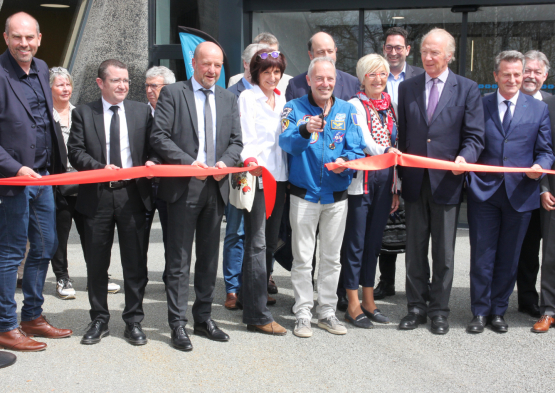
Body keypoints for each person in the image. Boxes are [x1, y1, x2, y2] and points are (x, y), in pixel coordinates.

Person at [150, 42, 242, 352]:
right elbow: (159, 137)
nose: (212, 70)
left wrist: (224, 165)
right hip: (183, 188)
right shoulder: (173, 93)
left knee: (208, 259)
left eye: (217, 65)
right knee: (178, 260)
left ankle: (203, 317)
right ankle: (177, 324)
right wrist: (191, 165)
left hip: (215, 188)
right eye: (206, 64)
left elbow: (236, 142)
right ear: (193, 62)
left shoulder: (229, 99)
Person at [397, 28, 485, 334]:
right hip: (415, 180)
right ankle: (416, 308)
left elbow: (475, 136)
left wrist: (466, 157)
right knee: (415, 249)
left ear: (449, 55)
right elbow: (404, 135)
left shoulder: (467, 89)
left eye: (435, 52)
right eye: (424, 52)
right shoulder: (407, 87)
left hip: (448, 180)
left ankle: (439, 311)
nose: (428, 58)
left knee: (444, 253)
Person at [68, 59, 155, 346]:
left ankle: (133, 321)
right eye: (116, 80)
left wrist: (154, 160)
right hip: (97, 195)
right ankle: (99, 319)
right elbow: (75, 151)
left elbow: (154, 145)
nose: (123, 86)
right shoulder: (84, 112)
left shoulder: (142, 112)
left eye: (127, 81)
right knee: (96, 262)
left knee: (135, 262)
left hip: (132, 195)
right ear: (100, 83)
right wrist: (98, 167)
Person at [466, 51, 554, 334]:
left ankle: (498, 312)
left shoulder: (538, 109)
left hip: (521, 194)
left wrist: (540, 166)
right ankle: (480, 312)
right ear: (495, 77)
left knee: (509, 256)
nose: (513, 79)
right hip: (484, 193)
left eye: (518, 74)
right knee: (482, 255)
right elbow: (473, 142)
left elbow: (545, 151)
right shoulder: (480, 104)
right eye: (507, 74)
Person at [0, 12, 72, 352]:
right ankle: (6, 324)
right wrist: (15, 169)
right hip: (13, 181)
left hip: (45, 177)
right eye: (17, 37)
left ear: (39, 39)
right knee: (11, 252)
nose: (24, 44)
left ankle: (32, 316)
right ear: (6, 38)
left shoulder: (43, 69)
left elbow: (45, 120)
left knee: (45, 246)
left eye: (30, 38)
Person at [279, 57, 366, 338]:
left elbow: (357, 150)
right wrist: (305, 129)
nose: (325, 83)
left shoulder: (347, 110)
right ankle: (303, 311)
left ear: (335, 81)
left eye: (330, 79)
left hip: (336, 196)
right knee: (302, 258)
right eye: (319, 78)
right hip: (304, 195)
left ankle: (326, 311)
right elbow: (286, 142)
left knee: (332, 258)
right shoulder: (293, 108)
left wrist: (346, 160)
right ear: (309, 80)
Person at [342, 54, 401, 328]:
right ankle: (351, 301)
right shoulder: (355, 105)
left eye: (383, 74)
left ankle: (368, 299)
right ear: (362, 78)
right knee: (356, 243)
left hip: (385, 179)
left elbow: (396, 140)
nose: (378, 80)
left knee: (374, 243)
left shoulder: (391, 106)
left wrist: (396, 186)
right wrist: (387, 152)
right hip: (362, 181)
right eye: (372, 75)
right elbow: (365, 141)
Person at [236, 48, 288, 335]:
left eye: (277, 71)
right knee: (255, 242)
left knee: (268, 243)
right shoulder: (247, 97)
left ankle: (247, 296)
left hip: (280, 178)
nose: (272, 76)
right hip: (257, 176)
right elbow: (244, 136)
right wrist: (250, 161)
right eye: (267, 71)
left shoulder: (282, 99)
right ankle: (257, 314)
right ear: (256, 73)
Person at [374, 27, 425, 301]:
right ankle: (387, 282)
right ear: (384, 49)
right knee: (388, 222)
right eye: (389, 47)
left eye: (399, 47)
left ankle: (416, 285)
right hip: (385, 159)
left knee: (415, 226)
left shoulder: (420, 77)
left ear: (407, 50)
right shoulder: (374, 74)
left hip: (413, 160)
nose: (393, 51)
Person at [223, 42, 271, 310]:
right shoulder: (233, 93)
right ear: (247, 64)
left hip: (267, 175)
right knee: (236, 230)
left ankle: (259, 282)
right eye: (257, 61)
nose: (264, 68)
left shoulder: (277, 93)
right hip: (241, 173)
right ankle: (232, 288)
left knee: (260, 234)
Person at [516, 50, 551, 318]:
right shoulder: (510, 103)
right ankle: (527, 299)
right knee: (526, 249)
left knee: (549, 251)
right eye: (527, 70)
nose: (531, 76)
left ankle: (548, 302)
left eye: (537, 72)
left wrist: (545, 188)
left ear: (546, 76)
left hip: (548, 192)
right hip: (518, 191)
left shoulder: (551, 104)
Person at [49, 67, 84, 300]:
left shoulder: (80, 113)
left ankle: (100, 274)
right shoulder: (43, 116)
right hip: (57, 186)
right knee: (60, 235)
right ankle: (62, 276)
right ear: (49, 87)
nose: (65, 89)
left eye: (68, 84)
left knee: (92, 232)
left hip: (83, 184)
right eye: (60, 84)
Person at [143, 65, 175, 283]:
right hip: (143, 184)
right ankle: (138, 278)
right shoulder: (139, 112)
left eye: (154, 86)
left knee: (171, 236)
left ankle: (171, 277)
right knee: (138, 235)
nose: (149, 90)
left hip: (169, 184)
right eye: (146, 85)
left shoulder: (178, 112)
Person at [532, 93, 555, 333]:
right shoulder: (549, 107)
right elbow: (546, 151)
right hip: (553, 194)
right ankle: (549, 311)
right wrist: (544, 187)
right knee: (551, 255)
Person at [285, 32, 360, 102]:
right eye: (321, 52)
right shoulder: (295, 85)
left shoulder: (352, 84)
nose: (326, 56)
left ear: (335, 51)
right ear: (311, 55)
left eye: (330, 51)